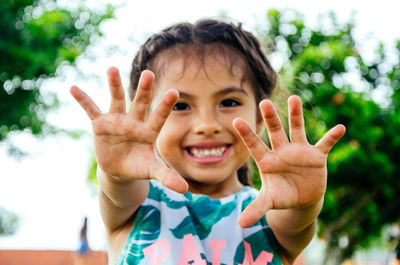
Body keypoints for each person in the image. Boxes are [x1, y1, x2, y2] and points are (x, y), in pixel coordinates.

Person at [70, 19, 346, 265]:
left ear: (260, 119)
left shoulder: (269, 214)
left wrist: (303, 204)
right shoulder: (137, 206)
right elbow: (118, 191)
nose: (207, 125)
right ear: (144, 121)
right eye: (180, 106)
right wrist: (116, 172)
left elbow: (294, 220)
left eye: (228, 102)